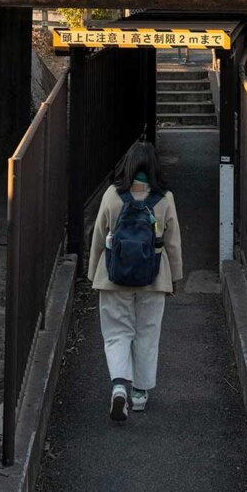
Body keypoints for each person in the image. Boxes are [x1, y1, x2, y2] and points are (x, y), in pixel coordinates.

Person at [88, 139, 182, 421]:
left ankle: (119, 386)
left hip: (114, 276)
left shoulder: (112, 196)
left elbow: (97, 237)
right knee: (147, 335)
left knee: (117, 333)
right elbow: (173, 242)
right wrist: (174, 278)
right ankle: (139, 394)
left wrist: (94, 273)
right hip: (153, 278)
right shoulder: (164, 199)